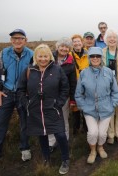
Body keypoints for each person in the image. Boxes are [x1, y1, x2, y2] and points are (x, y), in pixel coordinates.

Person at [0, 29, 32, 170]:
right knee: (0, 125)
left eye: (20, 38)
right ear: (11, 40)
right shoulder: (4, 53)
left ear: (25, 40)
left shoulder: (31, 54)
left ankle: (25, 148)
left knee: (25, 123)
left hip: (23, 94)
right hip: (6, 93)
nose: (17, 41)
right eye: (14, 38)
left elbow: (34, 75)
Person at [17, 44, 70, 174]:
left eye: (46, 56)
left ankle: (65, 159)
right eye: (40, 56)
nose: (43, 59)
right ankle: (46, 158)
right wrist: (26, 103)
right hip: (35, 110)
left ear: (50, 56)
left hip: (53, 109)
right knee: (42, 135)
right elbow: (20, 90)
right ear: (36, 57)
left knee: (61, 135)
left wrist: (59, 103)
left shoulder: (57, 69)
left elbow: (65, 88)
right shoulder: (29, 70)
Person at [75, 47, 118, 164]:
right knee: (93, 132)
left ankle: (101, 147)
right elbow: (78, 94)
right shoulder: (84, 73)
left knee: (102, 133)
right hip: (89, 108)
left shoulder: (108, 72)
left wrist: (113, 104)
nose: (95, 58)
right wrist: (83, 107)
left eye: (98, 56)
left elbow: (115, 91)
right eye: (92, 56)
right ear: (89, 58)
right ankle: (93, 151)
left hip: (106, 108)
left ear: (101, 58)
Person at [49, 38, 77, 152]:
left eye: (67, 47)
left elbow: (73, 82)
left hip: (64, 95)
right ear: (57, 47)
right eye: (62, 46)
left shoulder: (71, 62)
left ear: (69, 49)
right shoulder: (49, 57)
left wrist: (72, 100)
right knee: (50, 118)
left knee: (64, 119)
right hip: (49, 95)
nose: (64, 48)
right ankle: (51, 142)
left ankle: (64, 140)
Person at [70, 34, 89, 134]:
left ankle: (86, 128)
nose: (77, 43)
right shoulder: (69, 55)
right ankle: (76, 128)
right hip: (74, 85)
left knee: (86, 107)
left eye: (78, 41)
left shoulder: (89, 54)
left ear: (82, 42)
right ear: (72, 44)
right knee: (75, 108)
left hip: (86, 86)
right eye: (74, 42)